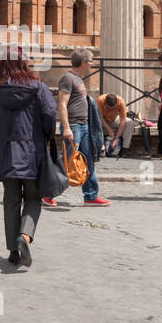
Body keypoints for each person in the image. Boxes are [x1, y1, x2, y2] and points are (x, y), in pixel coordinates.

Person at [0, 49, 58, 267]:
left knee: (10, 199)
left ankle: (13, 250)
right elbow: (49, 116)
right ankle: (25, 237)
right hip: (32, 151)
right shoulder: (39, 88)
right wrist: (45, 136)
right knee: (33, 197)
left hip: (3, 154)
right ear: (24, 64)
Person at [56, 49, 109, 206]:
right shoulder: (68, 78)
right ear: (84, 63)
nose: (93, 64)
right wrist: (66, 128)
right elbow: (62, 104)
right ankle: (48, 193)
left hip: (84, 125)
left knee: (88, 160)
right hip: (73, 126)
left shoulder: (78, 79)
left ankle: (91, 196)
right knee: (68, 161)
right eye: (91, 61)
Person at [96, 92, 134, 157]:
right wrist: (109, 129)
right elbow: (100, 118)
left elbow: (123, 120)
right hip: (103, 121)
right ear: (105, 103)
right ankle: (101, 149)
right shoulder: (100, 100)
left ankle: (124, 149)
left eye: (114, 107)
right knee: (94, 122)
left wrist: (117, 138)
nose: (112, 109)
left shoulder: (121, 102)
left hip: (114, 119)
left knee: (130, 122)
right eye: (110, 108)